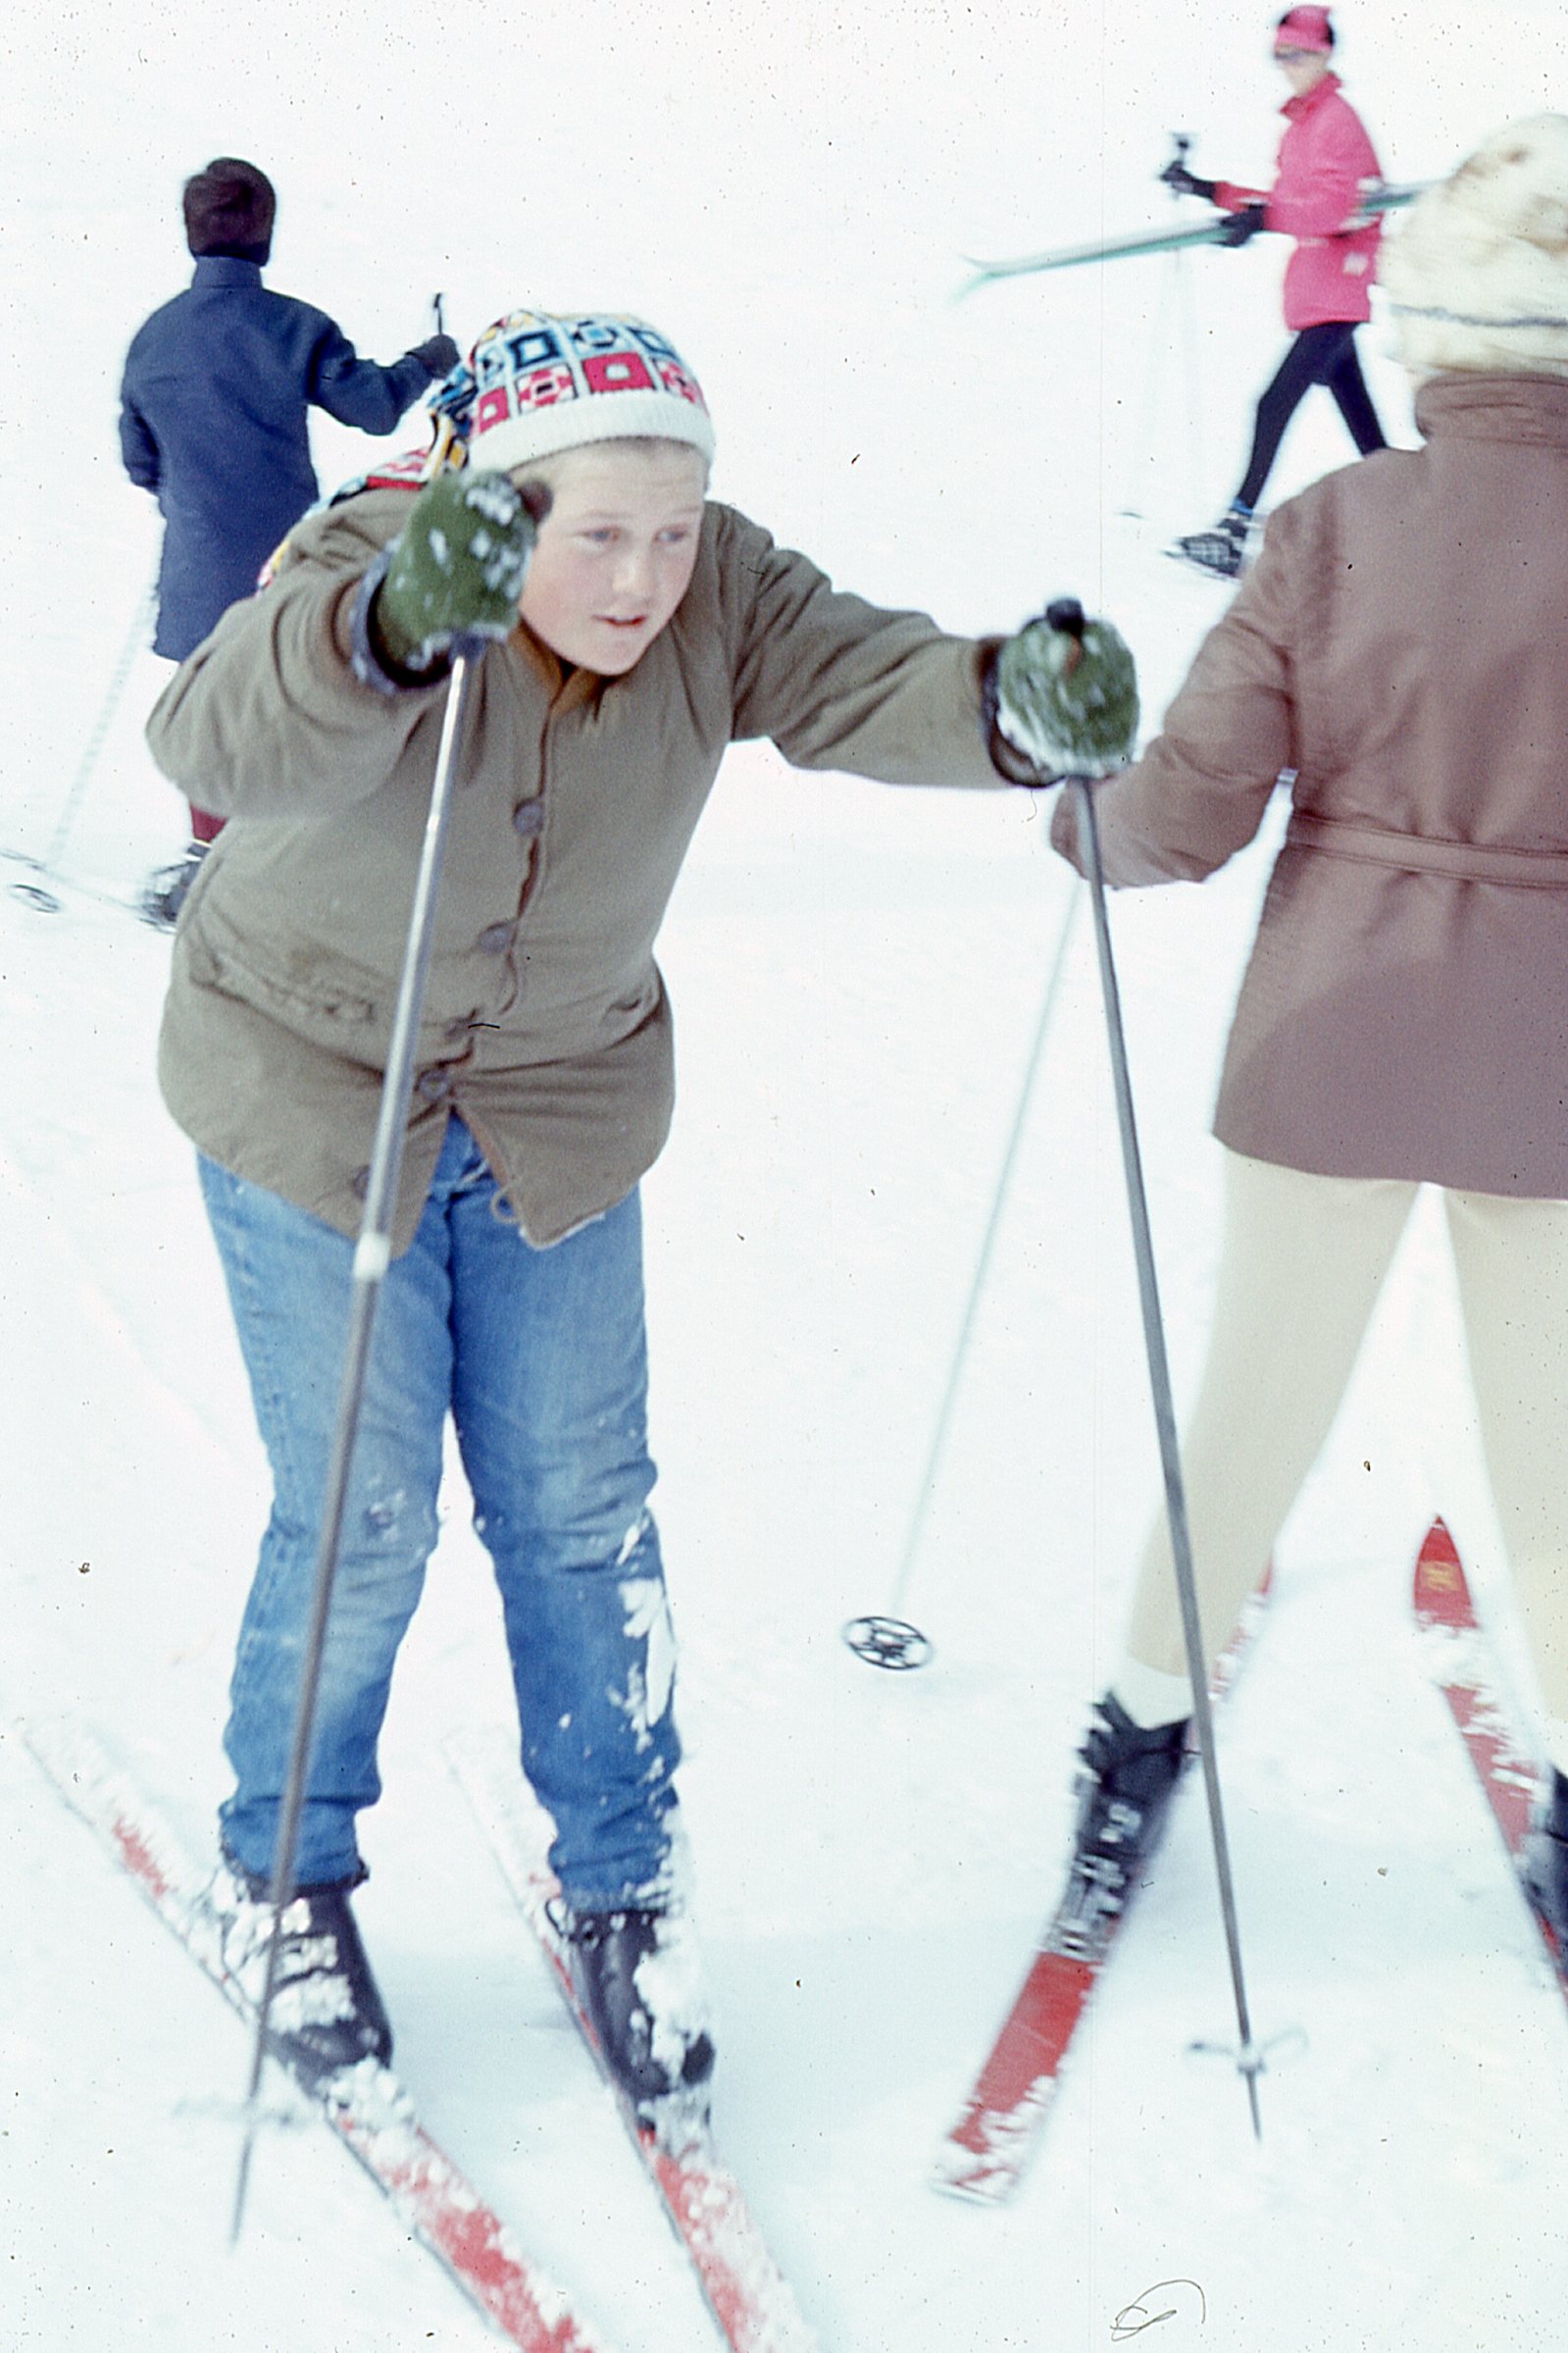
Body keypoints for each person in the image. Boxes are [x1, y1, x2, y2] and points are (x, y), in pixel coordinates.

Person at [143, 303, 1138, 2122]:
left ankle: (619, 1881)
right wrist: (386, 628)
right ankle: (279, 1869)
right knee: (362, 1508)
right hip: (312, 1087)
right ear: (502, 502)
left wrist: (1007, 701)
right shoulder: (377, 552)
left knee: (581, 1508)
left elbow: (860, 672)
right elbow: (212, 728)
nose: (640, 578)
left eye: (670, 531)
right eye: (596, 532)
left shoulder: (716, 588)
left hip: (556, 1108)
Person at [1043, 115, 1568, 1965]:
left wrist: (1080, 811)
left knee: (1251, 1405)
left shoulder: (1331, 523)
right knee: (1552, 1452)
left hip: (1325, 1039)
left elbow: (1180, 814)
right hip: (1547, 1073)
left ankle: (1134, 1742)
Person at [119, 158, 459, 926]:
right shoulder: (295, 327)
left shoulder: (153, 338)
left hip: (196, 565)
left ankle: (208, 863)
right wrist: (429, 361)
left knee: (212, 710)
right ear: (265, 234)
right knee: (307, 702)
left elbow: (140, 461)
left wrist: (195, 490)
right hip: (298, 565)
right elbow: (374, 408)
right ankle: (301, 866)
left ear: (190, 235)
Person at [1162, 6, 1388, 579]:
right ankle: (1414, 523)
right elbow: (1283, 202)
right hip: (1320, 296)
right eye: (1280, 55)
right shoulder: (1303, 126)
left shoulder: (1338, 120)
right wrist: (1208, 189)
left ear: (1324, 55)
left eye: (1299, 54)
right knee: (1366, 431)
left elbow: (1334, 208)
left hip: (1337, 293)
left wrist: (1264, 219)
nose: (1288, 65)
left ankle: (1232, 532)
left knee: (1271, 405)